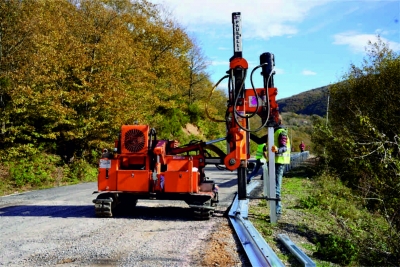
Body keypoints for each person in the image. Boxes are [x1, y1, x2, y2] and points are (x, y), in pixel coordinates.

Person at [270, 116, 291, 220]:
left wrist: (277, 150)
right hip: (274, 162)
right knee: (273, 188)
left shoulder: (281, 132)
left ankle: (277, 212)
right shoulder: (274, 132)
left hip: (279, 163)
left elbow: (284, 147)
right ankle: (275, 211)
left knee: (276, 188)